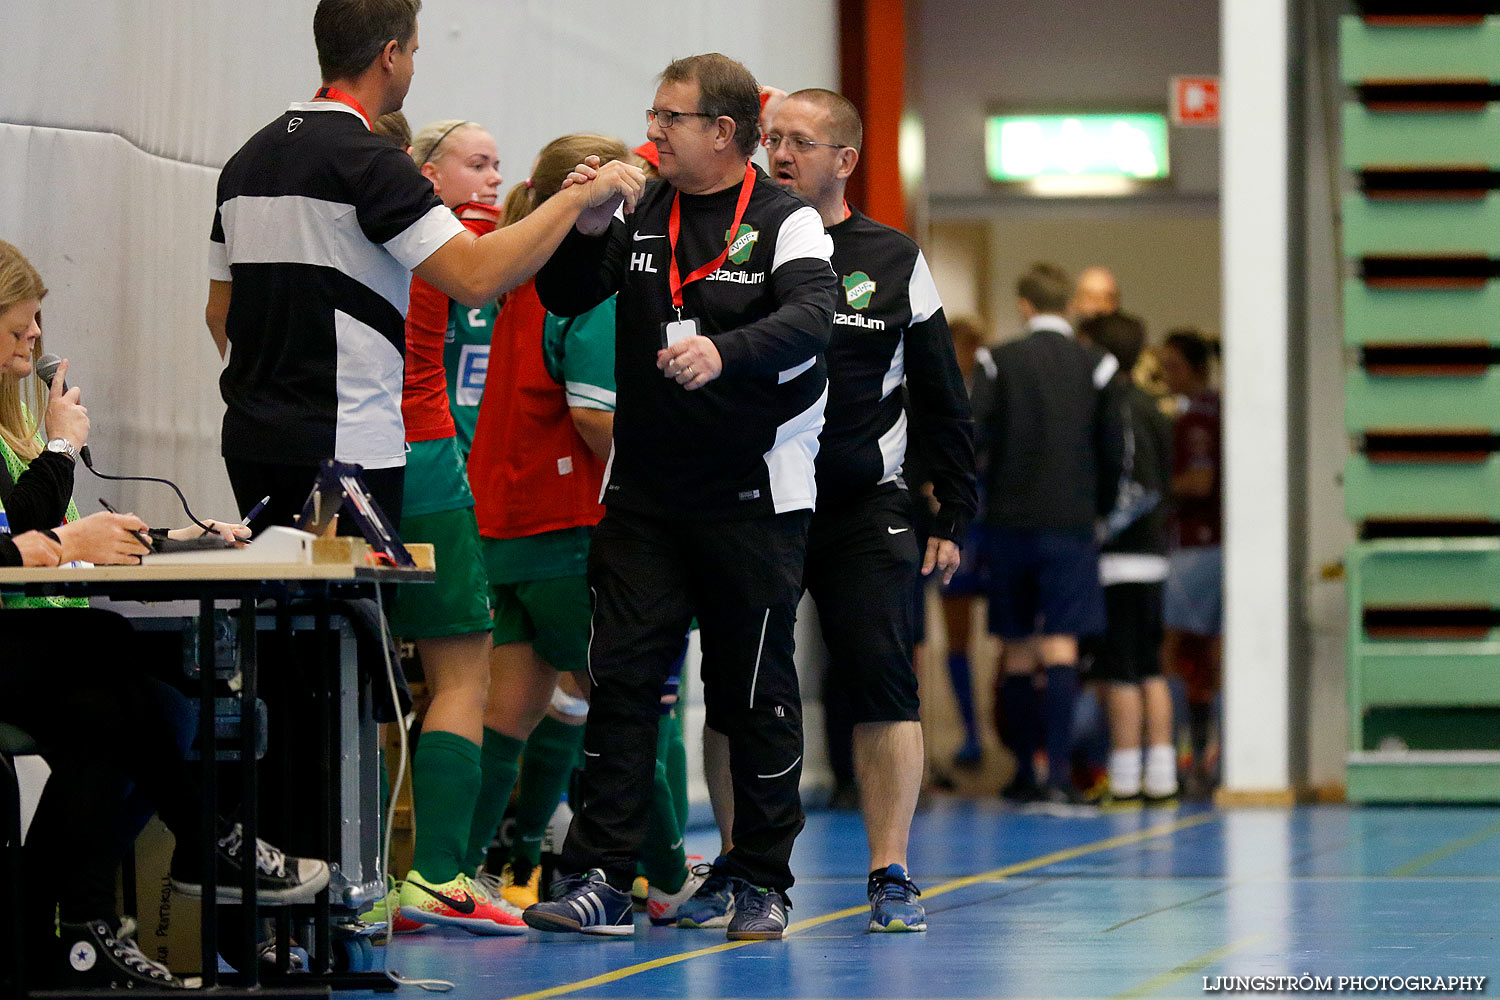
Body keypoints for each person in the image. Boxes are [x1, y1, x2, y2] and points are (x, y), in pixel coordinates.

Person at [522, 53, 838, 942]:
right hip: (647, 498)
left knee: (753, 696)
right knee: (622, 685)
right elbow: (563, 293)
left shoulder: (787, 222)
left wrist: (724, 353)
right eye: (653, 115)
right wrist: (583, 224)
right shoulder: (638, 207)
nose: (651, 131)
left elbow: (813, 317)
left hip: (755, 497)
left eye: (669, 117)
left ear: (722, 134)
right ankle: (602, 879)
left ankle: (761, 879)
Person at [0, 239, 325, 990]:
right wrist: (58, 454)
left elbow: (44, 537)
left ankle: (71, 929)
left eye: (37, 324)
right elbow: (25, 539)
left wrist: (167, 537)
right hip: (16, 637)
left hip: (30, 633)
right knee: (117, 670)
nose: (36, 339)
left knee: (154, 709)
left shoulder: (15, 426)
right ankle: (205, 843)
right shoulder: (35, 437)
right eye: (19, 329)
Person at [691, 87, 976, 934]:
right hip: (753, 502)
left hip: (862, 508)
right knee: (737, 684)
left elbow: (940, 391)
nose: (780, 154)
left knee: (883, 684)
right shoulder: (736, 242)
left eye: (801, 142)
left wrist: (953, 510)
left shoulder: (893, 258)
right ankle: (743, 869)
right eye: (772, 140)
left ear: (844, 159)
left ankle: (890, 870)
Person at [205, 0, 643, 530]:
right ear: (389, 55)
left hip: (251, 440)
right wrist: (575, 199)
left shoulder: (246, 160)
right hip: (345, 449)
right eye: (413, 51)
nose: (413, 65)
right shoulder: (370, 161)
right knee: (354, 609)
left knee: (283, 604)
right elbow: (476, 277)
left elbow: (218, 313)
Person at [369, 116, 525, 934]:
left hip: (344, 457)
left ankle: (353, 878)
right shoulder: (440, 233)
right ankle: (437, 873)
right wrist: (583, 195)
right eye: (477, 163)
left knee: (343, 678)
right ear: (420, 169)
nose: (493, 179)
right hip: (428, 453)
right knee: (465, 671)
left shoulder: (335, 225)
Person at [981, 262, 1124, 809]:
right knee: (1062, 644)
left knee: (1016, 648)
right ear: (1067, 304)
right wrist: (1100, 508)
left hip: (1010, 521)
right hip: (1072, 521)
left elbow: (975, 433)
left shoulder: (999, 360)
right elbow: (1114, 449)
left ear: (1024, 305)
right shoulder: (1098, 365)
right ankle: (1060, 774)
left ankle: (1023, 771)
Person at [1076, 312, 1177, 802]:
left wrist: (1099, 526)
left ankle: (1125, 774)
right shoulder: (1157, 406)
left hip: (1122, 555)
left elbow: (1131, 482)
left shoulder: (1115, 404)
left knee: (1120, 668)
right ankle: (1162, 775)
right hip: (1155, 554)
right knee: (1151, 666)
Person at [1157, 328, 1222, 798]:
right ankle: (1206, 755)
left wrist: (1155, 486)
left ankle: (1179, 755)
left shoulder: (1197, 419)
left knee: (1169, 647)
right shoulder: (1206, 412)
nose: (1164, 374)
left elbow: (1200, 482)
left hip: (1197, 547)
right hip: (1208, 545)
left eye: (1174, 365)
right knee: (1209, 653)